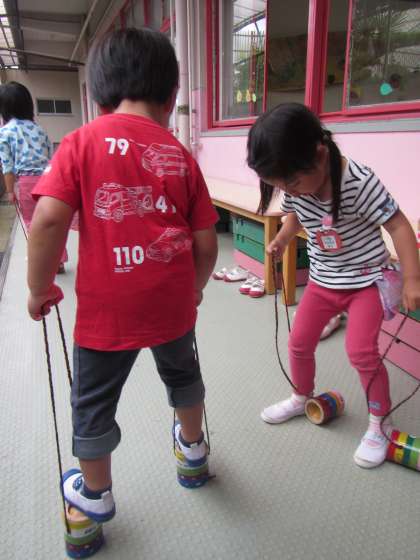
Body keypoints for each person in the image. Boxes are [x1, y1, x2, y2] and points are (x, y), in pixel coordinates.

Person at [26, 28, 218, 522]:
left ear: (99, 94)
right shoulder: (181, 156)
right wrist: (194, 289)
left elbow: (46, 221)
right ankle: (193, 449)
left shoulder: (80, 142)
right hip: (173, 305)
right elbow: (206, 243)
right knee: (184, 375)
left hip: (106, 313)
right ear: (172, 96)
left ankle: (95, 492)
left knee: (92, 401)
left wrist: (39, 287)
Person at [247, 102, 420, 469]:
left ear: (320, 154)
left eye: (291, 183)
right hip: (323, 280)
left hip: (366, 282)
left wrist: (412, 279)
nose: (288, 191)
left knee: (361, 352)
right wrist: (282, 239)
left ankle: (381, 423)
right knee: (298, 343)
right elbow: (296, 214)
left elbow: (398, 226)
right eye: (279, 185)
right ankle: (301, 396)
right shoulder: (296, 183)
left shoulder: (359, 182)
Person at [0, 81, 68, 272]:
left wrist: (10, 192)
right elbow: (50, 155)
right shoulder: (38, 128)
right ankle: (59, 260)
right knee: (52, 222)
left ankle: (42, 260)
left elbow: (7, 166)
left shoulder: (5, 132)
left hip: (27, 182)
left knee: (33, 223)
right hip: (49, 179)